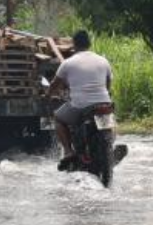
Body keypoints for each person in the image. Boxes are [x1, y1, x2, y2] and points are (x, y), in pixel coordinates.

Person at [48, 30, 113, 164]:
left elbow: (54, 84)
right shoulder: (103, 61)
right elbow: (108, 84)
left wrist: (47, 94)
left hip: (80, 106)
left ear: (74, 45)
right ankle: (109, 147)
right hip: (104, 103)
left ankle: (68, 151)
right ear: (89, 44)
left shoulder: (67, 63)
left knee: (58, 118)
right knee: (108, 124)